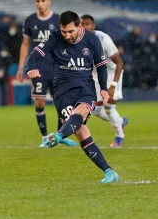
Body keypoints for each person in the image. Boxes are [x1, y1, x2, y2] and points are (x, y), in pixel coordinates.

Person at [26, 11, 120, 184]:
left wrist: (104, 89)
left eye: (70, 31)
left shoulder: (92, 40)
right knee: (80, 131)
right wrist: (30, 68)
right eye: (64, 32)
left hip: (86, 88)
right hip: (62, 91)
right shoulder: (55, 38)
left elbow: (100, 67)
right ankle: (109, 171)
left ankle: (59, 135)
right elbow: (35, 53)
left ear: (79, 26)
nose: (67, 35)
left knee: (82, 112)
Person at [16, 0, 76, 147]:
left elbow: (67, 41)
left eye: (43, 0)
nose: (40, 3)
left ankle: (60, 136)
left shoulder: (58, 20)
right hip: (39, 67)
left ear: (49, 1)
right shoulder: (30, 20)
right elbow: (25, 44)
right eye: (37, 1)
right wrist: (22, 66)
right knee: (40, 102)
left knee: (61, 103)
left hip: (58, 67)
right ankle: (44, 137)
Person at [80, 14, 129, 147]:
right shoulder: (77, 41)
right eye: (82, 24)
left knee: (108, 107)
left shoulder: (103, 39)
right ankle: (120, 121)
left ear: (93, 26)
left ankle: (119, 136)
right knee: (94, 109)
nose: (84, 27)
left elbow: (119, 63)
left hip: (112, 73)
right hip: (96, 75)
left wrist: (113, 85)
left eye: (87, 24)